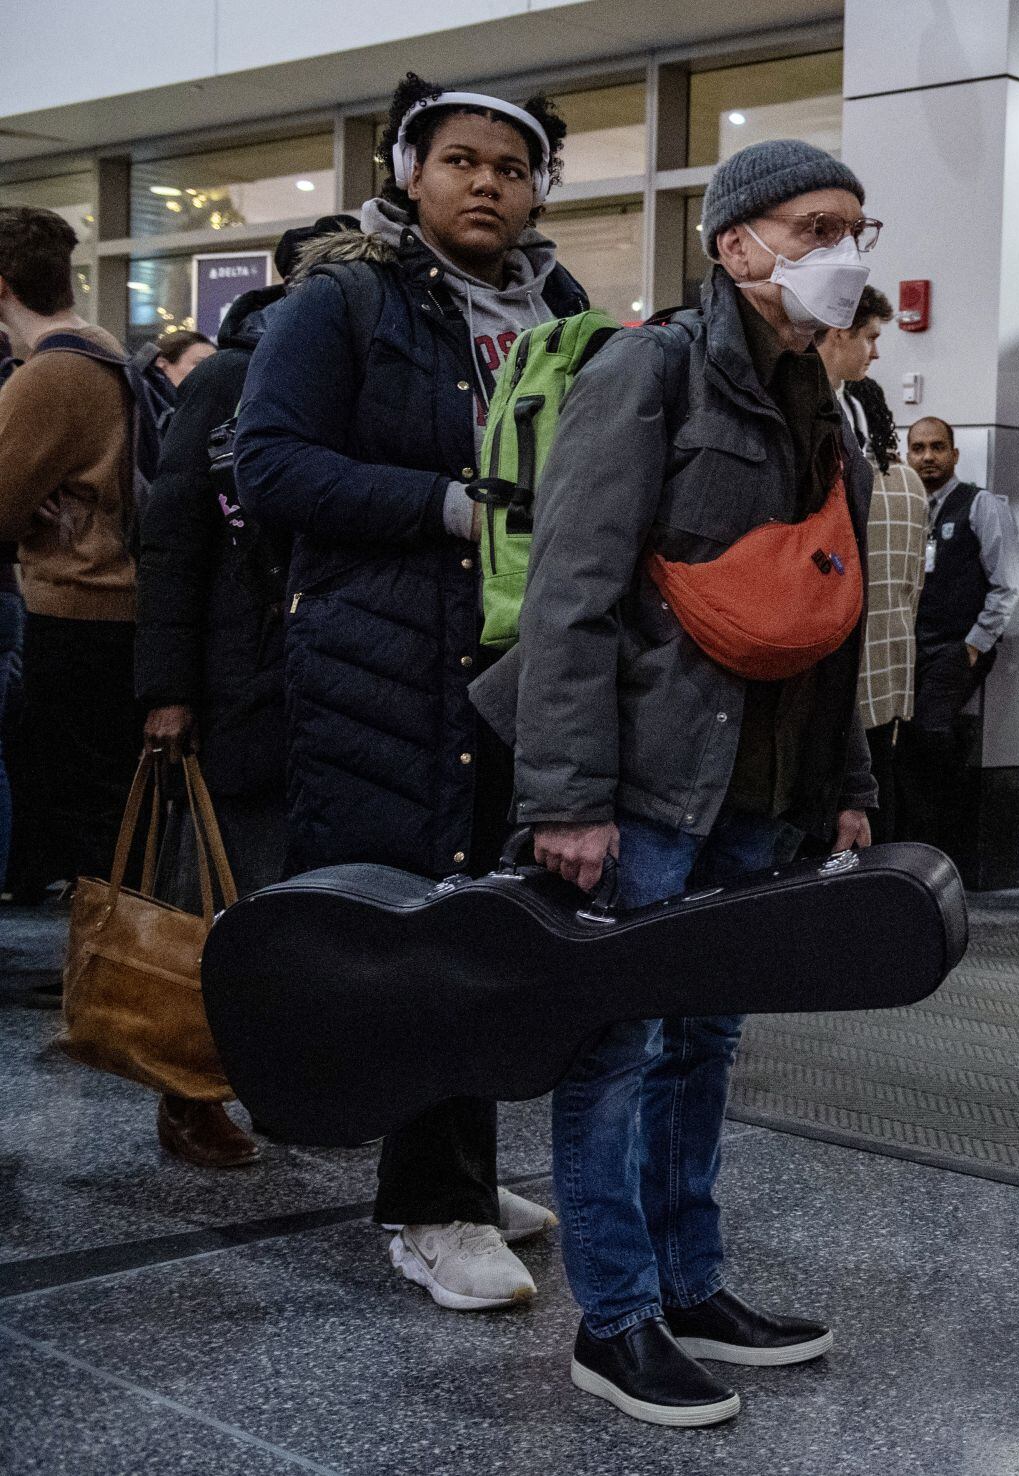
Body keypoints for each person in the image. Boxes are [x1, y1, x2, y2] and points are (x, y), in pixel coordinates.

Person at [474, 137, 879, 1427]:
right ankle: (618, 1317)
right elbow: (572, 597)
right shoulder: (646, 370)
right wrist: (565, 801)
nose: (841, 253)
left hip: (758, 790)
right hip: (644, 782)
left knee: (704, 1043)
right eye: (814, 227)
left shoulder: (826, 398)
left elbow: (836, 609)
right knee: (617, 1049)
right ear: (734, 244)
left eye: (854, 229)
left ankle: (692, 1284)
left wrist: (847, 780)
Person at [236, 75, 584, 1311]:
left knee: (495, 927)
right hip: (380, 665)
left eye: (513, 164)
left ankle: (460, 1173)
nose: (487, 181)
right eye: (460, 160)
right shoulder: (345, 300)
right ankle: (428, 1208)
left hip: (518, 668)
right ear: (409, 172)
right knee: (417, 939)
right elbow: (267, 464)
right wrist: (441, 505)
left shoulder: (562, 305)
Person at [130, 218, 357, 1168]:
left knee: (317, 907)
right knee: (220, 901)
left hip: (337, 675)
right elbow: (174, 540)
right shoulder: (229, 376)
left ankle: (291, 1087)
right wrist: (169, 690)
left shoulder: (362, 382)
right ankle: (188, 1089)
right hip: (239, 683)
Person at [0, 207, 141, 931]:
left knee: (86, 802)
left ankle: (106, 973)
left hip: (77, 605)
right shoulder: (99, 348)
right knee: (102, 801)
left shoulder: (49, 374)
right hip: (113, 603)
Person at [822, 289, 925, 841]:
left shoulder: (835, 433)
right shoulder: (903, 483)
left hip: (837, 678)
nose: (877, 352)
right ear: (839, 332)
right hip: (877, 679)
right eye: (872, 337)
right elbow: (913, 588)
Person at [897, 414, 1019, 867]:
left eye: (936, 447)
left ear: (954, 453)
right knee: (905, 738)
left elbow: (1007, 581)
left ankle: (946, 846)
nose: (927, 457)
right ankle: (914, 846)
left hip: (957, 644)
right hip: (909, 645)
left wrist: (975, 643)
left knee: (931, 731)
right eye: (918, 448)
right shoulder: (904, 507)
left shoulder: (980, 504)